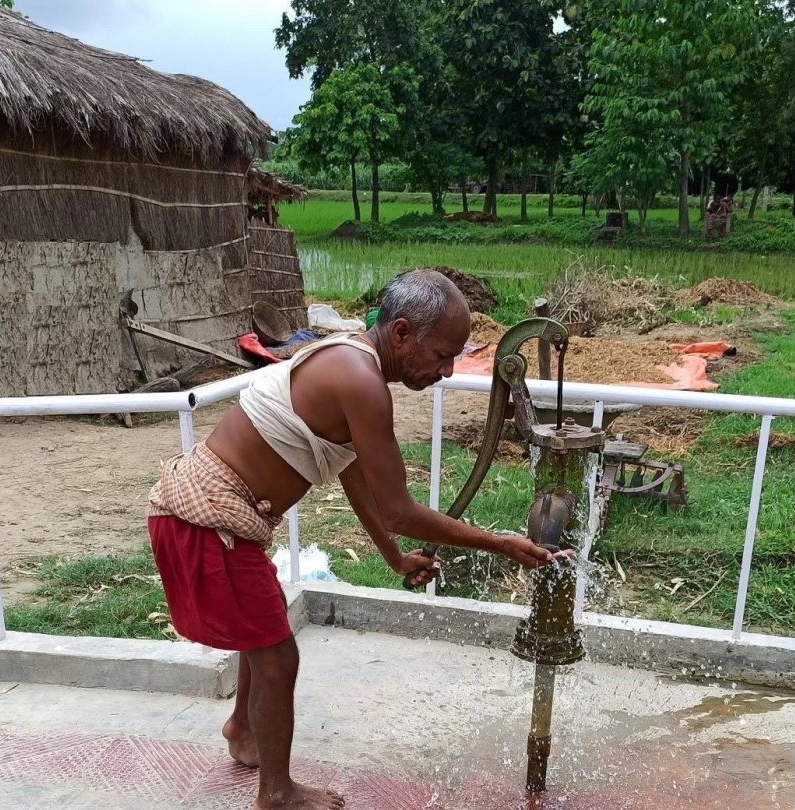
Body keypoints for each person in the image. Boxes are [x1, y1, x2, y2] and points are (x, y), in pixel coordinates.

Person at [147, 270, 558, 810]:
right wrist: (499, 542)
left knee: (262, 630)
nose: (447, 370)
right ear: (403, 333)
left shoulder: (347, 359)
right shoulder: (361, 380)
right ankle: (276, 793)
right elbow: (398, 509)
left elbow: (352, 472)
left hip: (210, 519)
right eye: (441, 354)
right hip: (206, 521)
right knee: (277, 656)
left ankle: (243, 731)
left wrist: (393, 557)